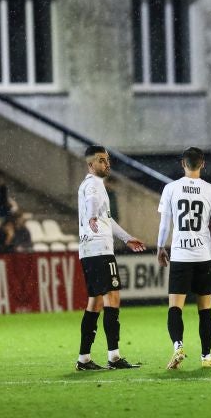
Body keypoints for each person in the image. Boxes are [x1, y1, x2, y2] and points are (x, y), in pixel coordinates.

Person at [157, 147, 211, 369]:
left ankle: (178, 346)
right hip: (203, 257)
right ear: (203, 163)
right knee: (205, 309)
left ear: (183, 163)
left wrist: (161, 247)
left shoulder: (170, 188)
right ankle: (206, 357)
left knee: (175, 307)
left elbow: (165, 224)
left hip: (180, 255)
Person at [76, 145, 145, 371]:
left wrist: (126, 238)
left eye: (107, 160)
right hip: (100, 250)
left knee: (94, 302)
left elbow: (107, 219)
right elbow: (93, 205)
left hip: (88, 251)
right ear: (90, 164)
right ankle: (114, 357)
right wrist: (93, 216)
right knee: (112, 298)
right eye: (101, 160)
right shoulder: (94, 184)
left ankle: (84, 359)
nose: (107, 164)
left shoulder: (88, 185)